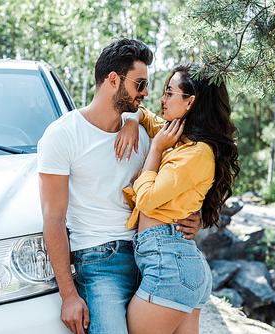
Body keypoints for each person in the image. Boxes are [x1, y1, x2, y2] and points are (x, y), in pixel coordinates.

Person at [37, 39, 202, 334]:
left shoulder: (148, 136)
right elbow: (53, 219)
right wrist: (68, 295)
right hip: (101, 264)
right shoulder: (62, 135)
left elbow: (175, 186)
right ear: (113, 80)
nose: (146, 93)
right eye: (140, 84)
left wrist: (193, 217)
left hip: (153, 257)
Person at [116, 64, 240, 334]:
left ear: (190, 102)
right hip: (176, 261)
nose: (162, 99)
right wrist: (132, 121)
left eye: (169, 93)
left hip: (169, 264)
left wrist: (155, 150)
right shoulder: (180, 138)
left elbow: (146, 200)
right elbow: (145, 115)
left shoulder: (195, 153)